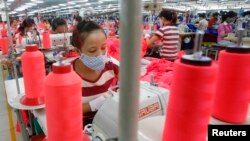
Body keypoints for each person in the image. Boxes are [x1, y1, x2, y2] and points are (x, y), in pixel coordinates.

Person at [71, 20, 119, 125]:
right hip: (79, 123)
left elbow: (130, 88)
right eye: (92, 50)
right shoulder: (68, 74)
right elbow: (66, 110)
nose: (100, 55)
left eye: (103, 48)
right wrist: (94, 104)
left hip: (108, 117)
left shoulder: (112, 65)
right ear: (78, 50)